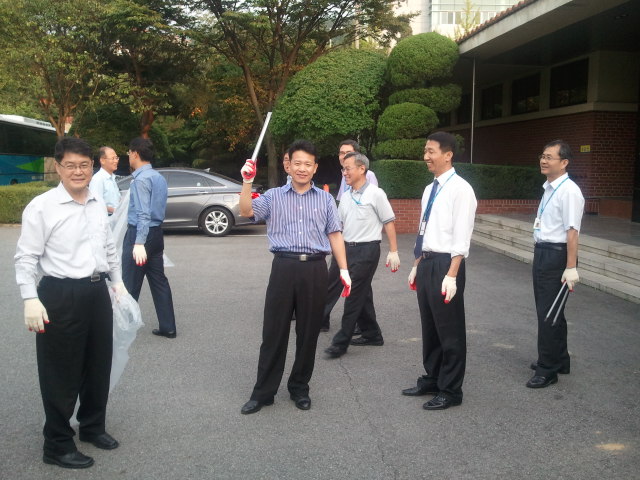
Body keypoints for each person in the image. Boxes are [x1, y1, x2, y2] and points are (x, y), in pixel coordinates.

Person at [15, 137, 126, 469]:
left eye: (84, 165)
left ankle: (92, 427)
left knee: (97, 366)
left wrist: (117, 283)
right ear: (58, 167)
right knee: (60, 372)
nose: (78, 171)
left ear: (92, 167)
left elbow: (108, 248)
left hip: (96, 292)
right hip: (60, 294)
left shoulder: (95, 202)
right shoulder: (42, 207)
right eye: (70, 165)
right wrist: (30, 298)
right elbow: (25, 258)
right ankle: (57, 444)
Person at [238, 139, 351, 414]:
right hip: (283, 268)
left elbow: (334, 234)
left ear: (315, 168)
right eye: (297, 163)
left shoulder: (325, 199)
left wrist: (344, 270)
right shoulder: (274, 196)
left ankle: (299, 387)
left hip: (315, 269)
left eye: (308, 164)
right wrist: (247, 182)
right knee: (273, 332)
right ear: (288, 164)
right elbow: (246, 211)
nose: (302, 168)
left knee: (308, 333)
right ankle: (263, 392)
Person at [402, 131, 477, 411]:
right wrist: (417, 264)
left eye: (431, 151)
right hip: (428, 261)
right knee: (430, 325)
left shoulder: (461, 189)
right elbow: (426, 230)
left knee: (450, 329)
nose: (426, 157)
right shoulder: (430, 188)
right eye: (425, 151)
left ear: (448, 155)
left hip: (447, 264)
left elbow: (462, 236)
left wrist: (452, 273)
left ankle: (451, 389)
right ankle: (432, 377)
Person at [324, 152, 400, 359]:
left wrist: (393, 251)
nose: (344, 172)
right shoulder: (346, 195)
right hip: (346, 249)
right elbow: (338, 226)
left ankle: (340, 343)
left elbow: (389, 222)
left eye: (348, 168)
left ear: (361, 169)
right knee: (362, 293)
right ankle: (372, 334)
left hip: (367, 250)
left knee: (354, 295)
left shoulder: (376, 194)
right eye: (343, 169)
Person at [527, 140, 584, 388]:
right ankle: (559, 359)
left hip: (557, 255)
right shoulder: (549, 188)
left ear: (564, 163)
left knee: (548, 314)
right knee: (552, 311)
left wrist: (570, 267)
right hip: (543, 252)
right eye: (542, 155)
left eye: (550, 157)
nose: (544, 160)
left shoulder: (569, 191)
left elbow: (572, 232)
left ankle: (547, 369)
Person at [122, 137, 177, 338]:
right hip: (156, 234)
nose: (128, 156)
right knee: (159, 281)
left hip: (140, 234)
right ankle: (168, 326)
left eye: (129, 153)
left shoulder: (141, 179)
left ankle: (124, 327)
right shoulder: (158, 177)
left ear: (135, 153)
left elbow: (143, 214)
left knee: (129, 282)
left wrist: (138, 242)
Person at [322, 139, 378, 332]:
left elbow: (370, 206)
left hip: (361, 243)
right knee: (352, 283)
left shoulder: (368, 175)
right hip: (345, 239)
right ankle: (365, 326)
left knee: (348, 282)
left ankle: (358, 325)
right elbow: (343, 207)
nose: (343, 156)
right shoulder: (344, 174)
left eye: (347, 153)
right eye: (340, 152)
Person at [89, 146, 121, 216]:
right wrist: (114, 210)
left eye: (116, 158)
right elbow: (95, 204)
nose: (116, 161)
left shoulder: (112, 178)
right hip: (105, 221)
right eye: (113, 158)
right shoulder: (97, 179)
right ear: (102, 160)